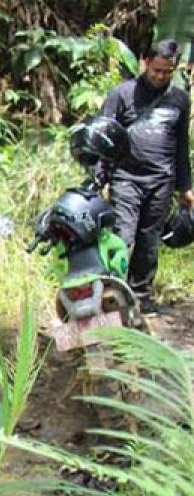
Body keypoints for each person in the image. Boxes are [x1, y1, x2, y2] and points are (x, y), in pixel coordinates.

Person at [100, 39, 194, 311]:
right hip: (126, 178)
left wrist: (185, 187)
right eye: (157, 71)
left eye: (168, 72)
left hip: (161, 182)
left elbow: (180, 148)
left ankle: (141, 296)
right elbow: (103, 136)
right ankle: (112, 295)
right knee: (122, 238)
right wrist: (100, 177)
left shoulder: (179, 99)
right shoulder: (122, 94)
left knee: (150, 241)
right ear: (145, 63)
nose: (162, 76)